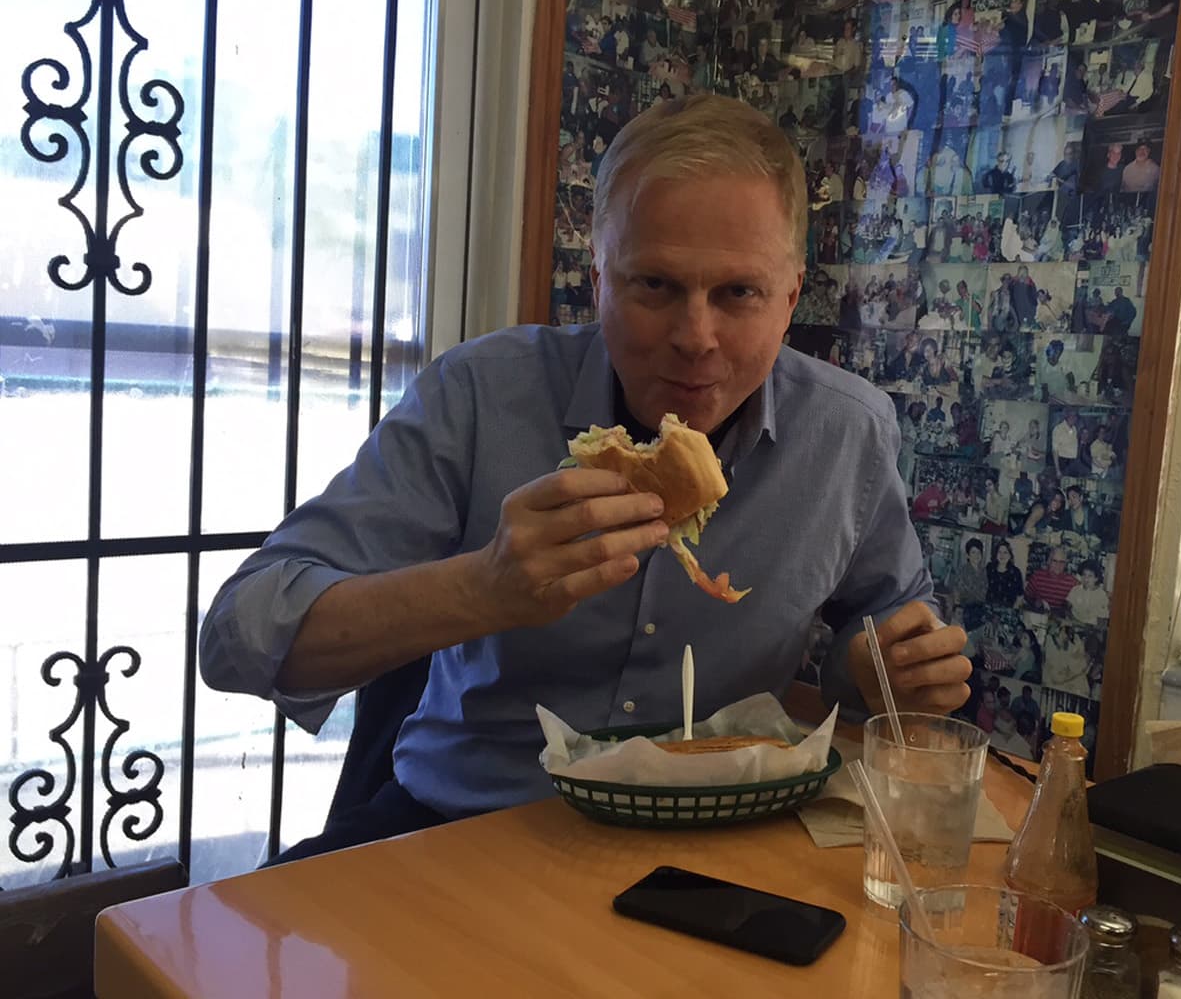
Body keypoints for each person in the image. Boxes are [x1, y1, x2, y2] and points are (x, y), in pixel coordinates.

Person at [200, 95, 972, 862]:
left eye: (737, 293)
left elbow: (888, 630)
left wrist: (884, 670)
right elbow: (239, 635)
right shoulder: (479, 396)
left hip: (722, 846)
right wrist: (481, 589)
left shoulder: (848, 434)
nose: (694, 340)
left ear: (791, 298)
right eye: (655, 286)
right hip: (461, 829)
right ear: (598, 278)